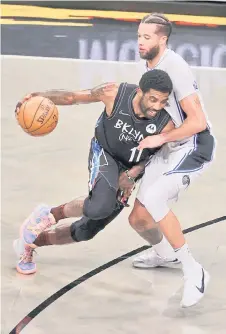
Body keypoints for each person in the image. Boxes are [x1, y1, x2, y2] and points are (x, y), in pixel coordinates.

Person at [13, 69, 174, 276]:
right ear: (140, 91)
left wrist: (133, 174)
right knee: (99, 206)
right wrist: (39, 96)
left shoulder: (166, 123)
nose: (157, 106)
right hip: (105, 152)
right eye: (153, 99)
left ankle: (31, 244)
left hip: (130, 169)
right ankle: (49, 214)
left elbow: (160, 157)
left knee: (86, 231)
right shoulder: (115, 94)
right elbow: (72, 97)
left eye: (163, 101)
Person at [128, 13, 216, 307]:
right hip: (170, 144)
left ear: (162, 39)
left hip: (194, 145)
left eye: (147, 37)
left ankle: (195, 272)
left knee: (154, 198)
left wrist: (160, 139)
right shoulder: (152, 63)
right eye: (139, 36)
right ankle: (165, 254)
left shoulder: (174, 66)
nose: (140, 42)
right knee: (138, 218)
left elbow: (199, 122)